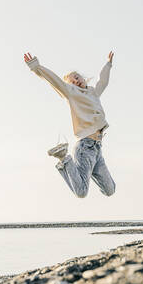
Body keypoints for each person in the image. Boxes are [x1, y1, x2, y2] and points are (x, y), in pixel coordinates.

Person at [24, 51, 116, 198]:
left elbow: (102, 82)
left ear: (83, 78)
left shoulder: (93, 92)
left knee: (110, 190)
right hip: (85, 147)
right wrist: (36, 68)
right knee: (81, 192)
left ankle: (83, 171)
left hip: (97, 148)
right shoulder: (72, 93)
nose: (76, 81)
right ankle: (64, 159)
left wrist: (108, 64)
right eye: (72, 81)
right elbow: (56, 82)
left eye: (77, 77)